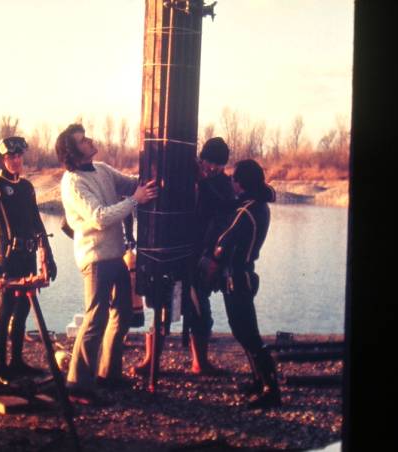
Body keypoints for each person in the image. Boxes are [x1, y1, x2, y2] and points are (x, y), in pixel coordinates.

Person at [55, 123, 157, 404]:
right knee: (95, 319)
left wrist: (155, 168)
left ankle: (108, 374)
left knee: (122, 314)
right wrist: (135, 201)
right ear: (73, 153)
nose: (89, 140)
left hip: (115, 255)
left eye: (86, 137)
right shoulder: (73, 182)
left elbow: (131, 184)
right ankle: (78, 385)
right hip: (96, 259)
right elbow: (99, 217)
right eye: (82, 140)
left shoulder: (100, 169)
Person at [131, 137, 235, 377]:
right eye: (209, 162)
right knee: (162, 306)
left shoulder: (223, 186)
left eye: (218, 165)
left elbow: (224, 214)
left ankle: (200, 362)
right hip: (173, 251)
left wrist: (213, 259)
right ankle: (150, 360)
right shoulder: (183, 174)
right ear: (201, 159)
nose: (212, 168)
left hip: (202, 256)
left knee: (200, 310)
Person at [202, 158, 281, 408]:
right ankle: (259, 381)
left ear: (240, 183)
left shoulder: (246, 211)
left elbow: (223, 244)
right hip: (245, 275)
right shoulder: (258, 205)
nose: (232, 183)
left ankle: (271, 389)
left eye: (234, 179)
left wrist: (211, 264)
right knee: (244, 331)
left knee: (248, 334)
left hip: (237, 277)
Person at [0, 136, 57, 384]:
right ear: (2, 159)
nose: (15, 160)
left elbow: (36, 221)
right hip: (7, 257)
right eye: (10, 157)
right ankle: (0, 367)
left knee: (24, 308)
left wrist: (48, 254)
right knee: (5, 309)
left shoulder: (26, 187)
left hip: (28, 255)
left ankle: (17, 362)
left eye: (18, 156)